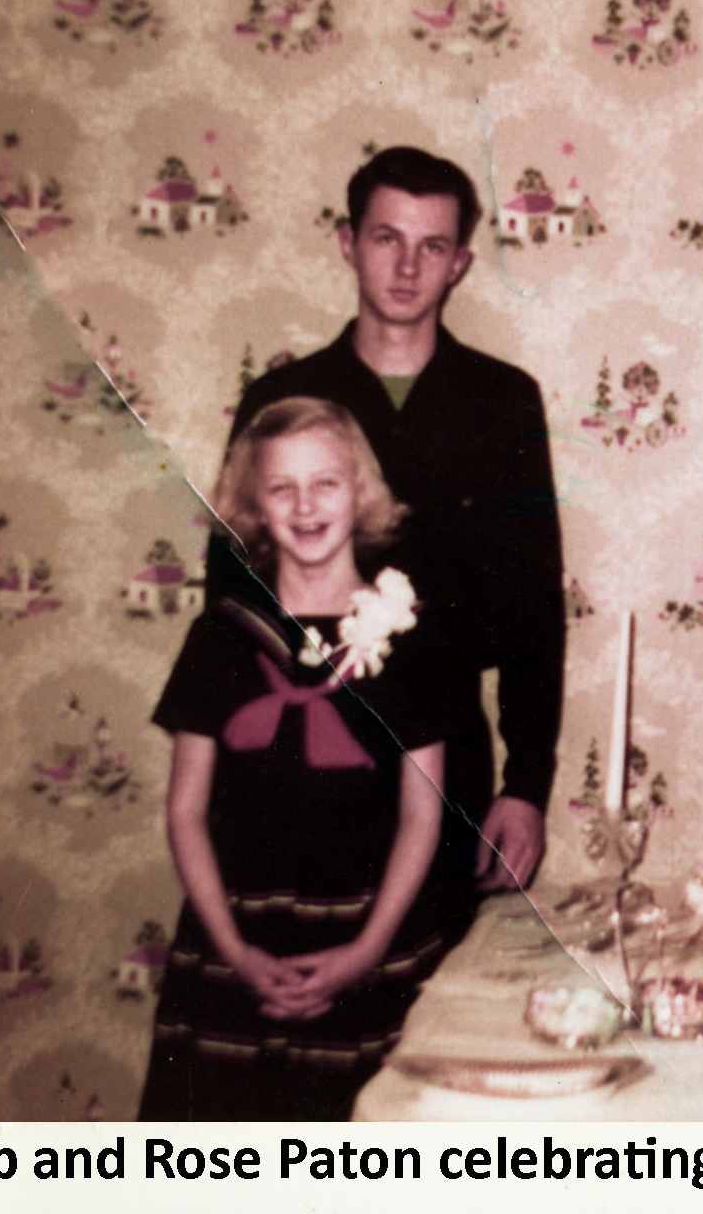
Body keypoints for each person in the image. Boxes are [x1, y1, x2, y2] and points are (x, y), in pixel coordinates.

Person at [213, 146, 565, 920]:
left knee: (423, 998)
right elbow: (229, 594)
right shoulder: (283, 397)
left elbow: (535, 607)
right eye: (386, 238)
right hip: (293, 751)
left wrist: (526, 784)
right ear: (348, 244)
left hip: (448, 758)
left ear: (459, 264)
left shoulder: (502, 402)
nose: (407, 267)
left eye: (431, 245)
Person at [140, 398, 456, 1120]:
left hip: (372, 940)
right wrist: (236, 951)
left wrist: (365, 950)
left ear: (360, 493)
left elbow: (422, 813)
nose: (305, 505)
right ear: (254, 504)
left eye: (326, 484)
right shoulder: (219, 637)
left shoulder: (412, 639)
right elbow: (185, 812)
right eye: (282, 488)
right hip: (235, 946)